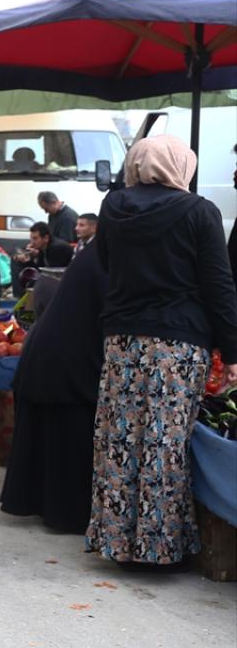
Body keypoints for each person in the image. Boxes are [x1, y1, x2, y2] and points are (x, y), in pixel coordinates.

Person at [87, 134, 237, 567]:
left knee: (118, 438)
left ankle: (116, 543)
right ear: (182, 167)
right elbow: (218, 285)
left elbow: (106, 265)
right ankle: (158, 547)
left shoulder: (113, 206)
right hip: (178, 345)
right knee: (163, 442)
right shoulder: (199, 211)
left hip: (122, 340)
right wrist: (232, 350)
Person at [0, 244, 108, 533]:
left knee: (51, 436)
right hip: (69, 358)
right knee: (67, 437)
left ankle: (43, 506)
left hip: (51, 349)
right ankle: (65, 515)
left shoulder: (98, 252)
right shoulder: (115, 256)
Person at [12, 222, 73, 295]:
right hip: (50, 280)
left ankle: (22, 297)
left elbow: (52, 274)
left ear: (46, 238)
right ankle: (20, 296)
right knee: (17, 263)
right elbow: (39, 270)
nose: (32, 242)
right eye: (31, 239)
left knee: (31, 282)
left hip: (62, 283)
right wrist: (28, 260)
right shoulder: (42, 247)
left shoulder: (56, 248)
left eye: (35, 238)